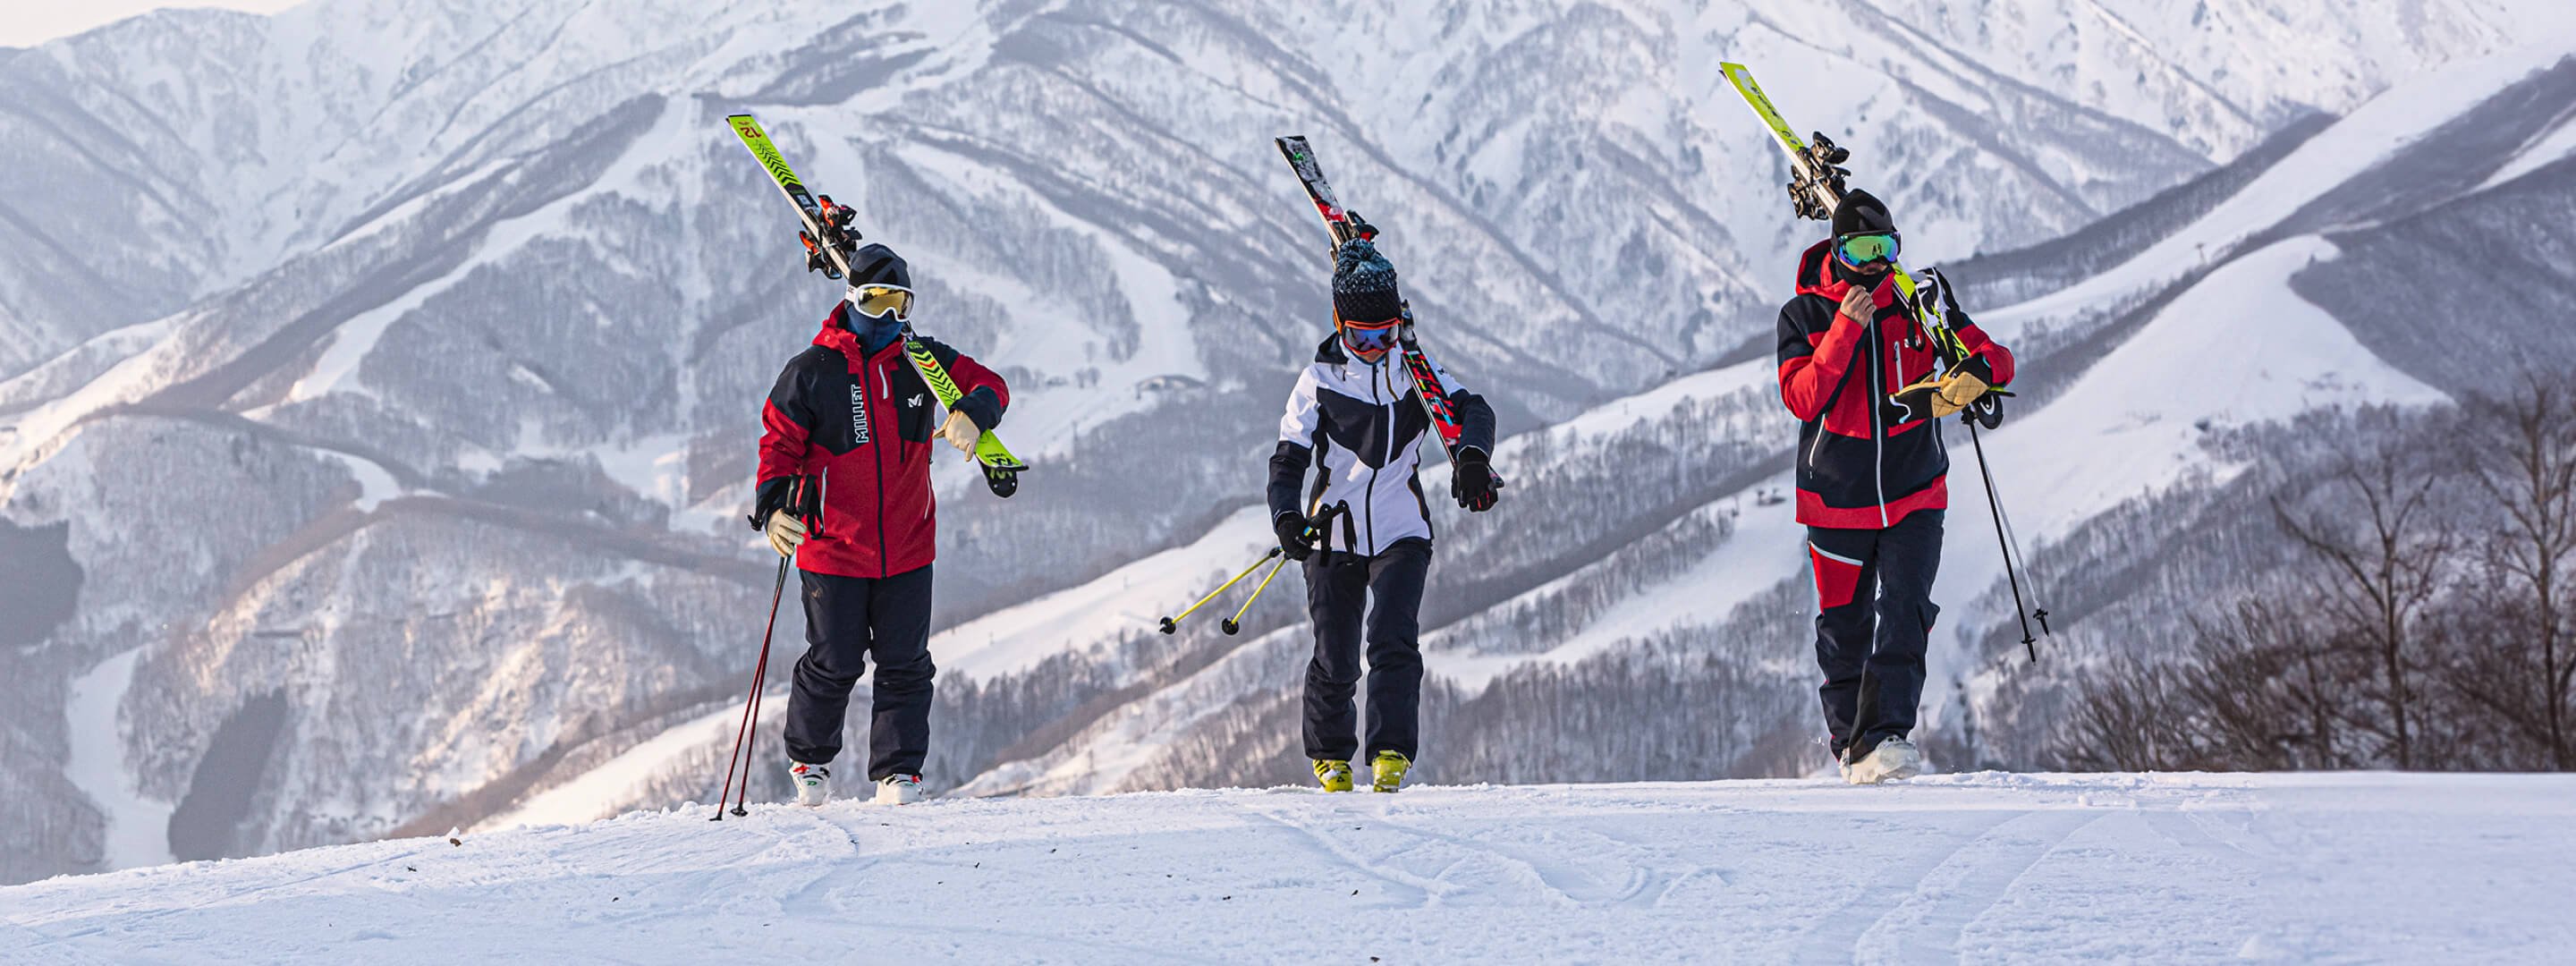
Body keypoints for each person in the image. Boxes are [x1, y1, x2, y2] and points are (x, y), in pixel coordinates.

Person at [753, 243, 1010, 806]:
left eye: (901, 303)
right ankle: (810, 758)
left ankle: (898, 772)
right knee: (834, 661)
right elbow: (778, 445)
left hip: (908, 546)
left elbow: (991, 383)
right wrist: (772, 511)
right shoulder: (812, 371)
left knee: (906, 663)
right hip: (833, 549)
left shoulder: (923, 360)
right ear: (851, 300)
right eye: (876, 302)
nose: (890, 317)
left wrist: (971, 413)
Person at [1773, 190, 2015, 784]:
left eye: (1887, 248)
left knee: (1907, 612)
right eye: (1863, 249)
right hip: (1836, 499)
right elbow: (1802, 396)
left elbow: (1995, 358)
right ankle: (1851, 749)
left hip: (1915, 491)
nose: (1877, 262)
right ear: (1838, 250)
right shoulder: (1803, 314)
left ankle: (1887, 738)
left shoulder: (1919, 303)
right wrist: (1846, 332)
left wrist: (1979, 372)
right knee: (1843, 628)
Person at [1267, 234, 1499, 793]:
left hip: (1402, 527)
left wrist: (1471, 456)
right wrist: (1287, 518)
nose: (1373, 347)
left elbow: (1474, 409)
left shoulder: (1413, 370)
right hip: (1333, 533)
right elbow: (1288, 460)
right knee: (1336, 654)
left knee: (1394, 641)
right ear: (1339, 324)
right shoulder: (1318, 380)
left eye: (1385, 334)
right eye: (1360, 336)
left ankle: (1391, 751)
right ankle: (1330, 755)